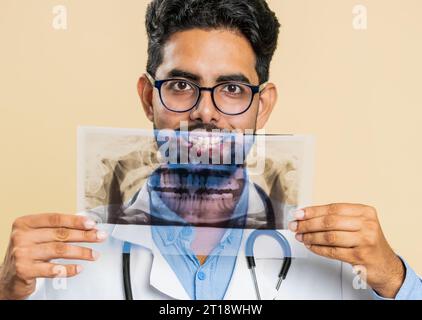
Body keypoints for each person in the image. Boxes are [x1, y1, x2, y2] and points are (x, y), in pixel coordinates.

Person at [0, 0, 420, 300]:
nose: (205, 112)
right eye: (181, 85)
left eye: (232, 89)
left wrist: (394, 278)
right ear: (148, 97)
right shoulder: (63, 262)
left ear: (263, 104)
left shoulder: (341, 261)